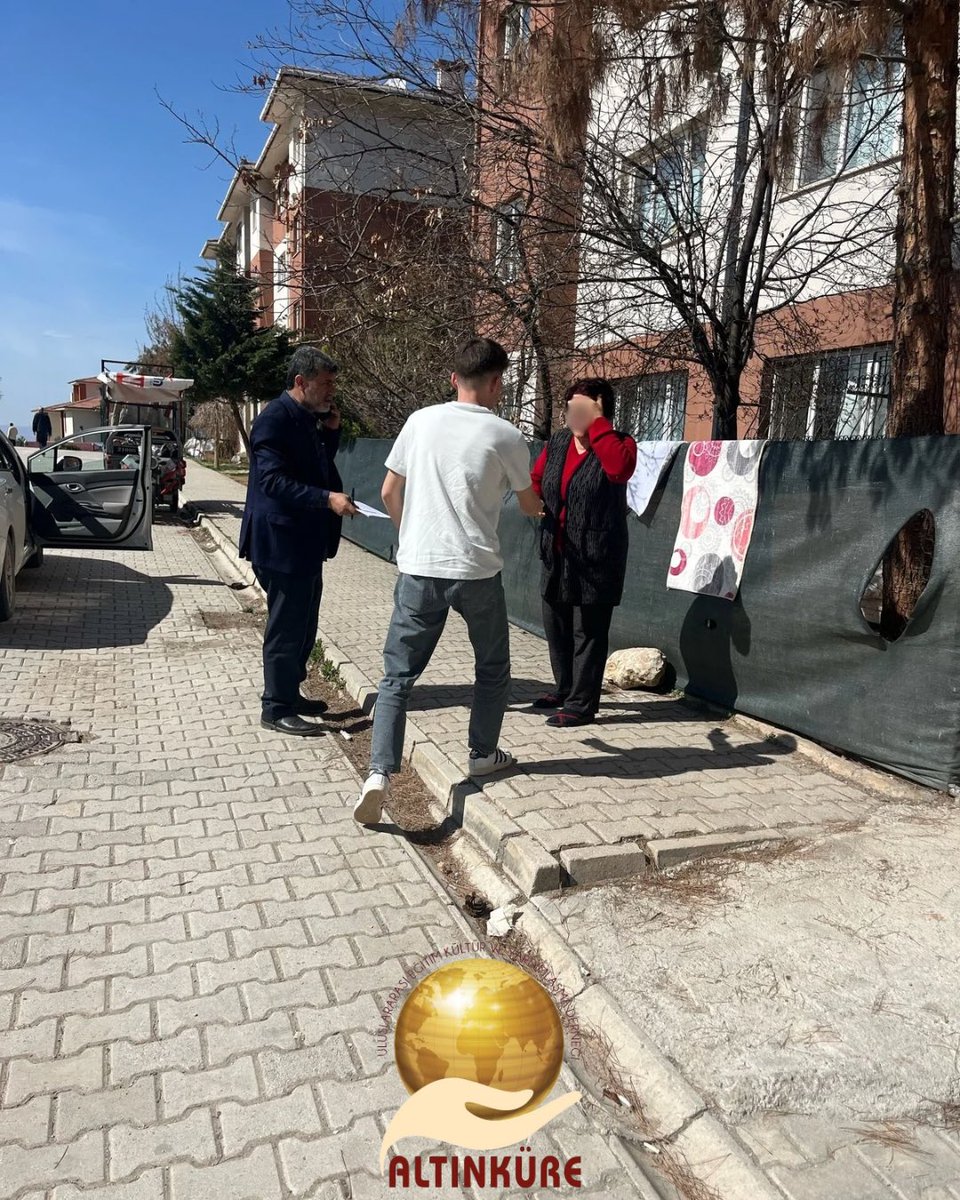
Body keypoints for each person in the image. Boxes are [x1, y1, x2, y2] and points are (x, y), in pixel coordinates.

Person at [354, 337, 544, 825]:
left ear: (453, 379)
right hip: (477, 572)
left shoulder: (420, 422)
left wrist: (410, 534)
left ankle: (379, 774)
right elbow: (528, 504)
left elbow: (388, 489)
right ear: (498, 382)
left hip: (420, 568)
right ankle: (483, 753)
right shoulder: (507, 436)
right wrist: (542, 508)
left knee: (398, 676)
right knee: (493, 667)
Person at [239, 346, 358, 736]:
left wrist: (331, 432)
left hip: (304, 544)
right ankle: (275, 708)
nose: (330, 392)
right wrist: (327, 499)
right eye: (324, 384)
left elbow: (315, 466)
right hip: (280, 543)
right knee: (286, 626)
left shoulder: (307, 417)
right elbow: (273, 481)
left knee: (305, 625)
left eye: (333, 384)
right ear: (300, 382)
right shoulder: (274, 420)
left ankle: (290, 692)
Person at [530, 378, 637, 728]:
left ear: (600, 411)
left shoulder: (620, 444)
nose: (573, 415)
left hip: (596, 557)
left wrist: (600, 427)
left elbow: (618, 471)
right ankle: (563, 689)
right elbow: (537, 478)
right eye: (570, 408)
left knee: (587, 632)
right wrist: (534, 502)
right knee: (556, 623)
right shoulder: (559, 442)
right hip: (558, 553)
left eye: (582, 409)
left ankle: (581, 704)